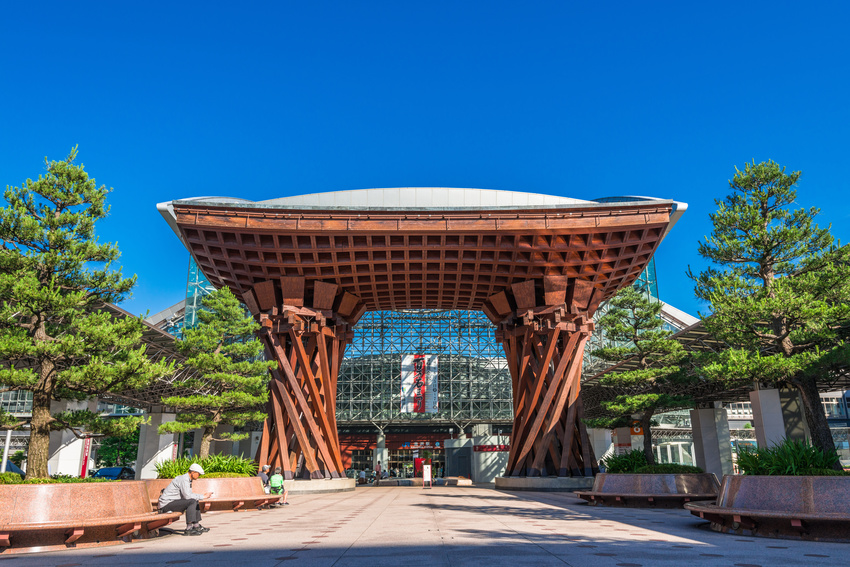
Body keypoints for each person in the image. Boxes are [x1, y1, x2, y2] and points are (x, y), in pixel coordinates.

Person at [159, 463, 213, 536]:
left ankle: (196, 526)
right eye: (198, 474)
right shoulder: (184, 479)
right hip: (166, 504)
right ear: (193, 472)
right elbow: (187, 496)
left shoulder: (187, 479)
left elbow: (188, 496)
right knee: (192, 501)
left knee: (194, 500)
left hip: (172, 502)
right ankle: (189, 529)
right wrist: (203, 496)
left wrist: (201, 496)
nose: (199, 476)